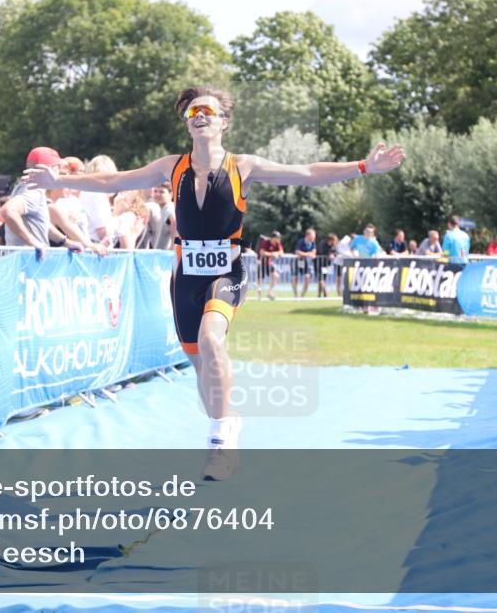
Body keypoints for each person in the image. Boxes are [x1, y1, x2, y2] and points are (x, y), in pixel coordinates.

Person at [23, 85, 405, 479]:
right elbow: (113, 181)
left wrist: (364, 166)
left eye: (207, 110)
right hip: (185, 275)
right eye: (192, 113)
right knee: (201, 367)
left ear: (224, 121)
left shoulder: (244, 166)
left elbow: (307, 174)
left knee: (211, 339)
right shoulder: (171, 166)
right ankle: (226, 420)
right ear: (188, 125)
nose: (199, 116)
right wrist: (59, 179)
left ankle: (221, 441)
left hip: (227, 269)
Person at [2, 148, 82, 254]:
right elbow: (8, 211)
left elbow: (41, 224)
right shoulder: (34, 190)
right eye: (58, 167)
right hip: (28, 262)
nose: (59, 173)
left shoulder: (28, 187)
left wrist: (65, 242)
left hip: (26, 260)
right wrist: (32, 242)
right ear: (51, 169)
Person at [80, 155, 117, 243]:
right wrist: (117, 213)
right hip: (96, 248)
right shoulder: (97, 194)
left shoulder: (85, 192)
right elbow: (104, 235)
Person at [144, 182, 176, 250]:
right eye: (155, 191)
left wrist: (172, 247)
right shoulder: (163, 209)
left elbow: (174, 222)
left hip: (166, 255)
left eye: (162, 192)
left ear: (171, 194)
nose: (157, 194)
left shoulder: (169, 207)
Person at [257, 230, 284, 300]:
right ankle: (258, 296)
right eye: (278, 237)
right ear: (273, 238)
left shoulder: (278, 243)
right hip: (261, 263)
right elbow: (262, 253)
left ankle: (269, 292)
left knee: (276, 276)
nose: (279, 239)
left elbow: (281, 252)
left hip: (269, 263)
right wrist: (273, 254)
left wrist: (276, 253)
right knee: (260, 280)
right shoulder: (265, 242)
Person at [292, 227, 317, 298]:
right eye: (313, 236)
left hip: (306, 262)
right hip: (298, 261)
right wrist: (308, 254)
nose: (314, 237)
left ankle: (302, 295)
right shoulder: (301, 241)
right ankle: (295, 294)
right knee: (295, 277)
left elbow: (314, 252)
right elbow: (297, 252)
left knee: (307, 277)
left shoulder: (313, 243)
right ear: (308, 235)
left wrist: (308, 254)